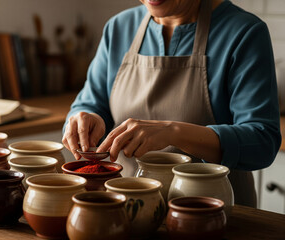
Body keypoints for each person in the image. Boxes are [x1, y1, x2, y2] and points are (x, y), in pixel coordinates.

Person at [62, 0, 281, 208]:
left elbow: (262, 141)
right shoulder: (119, 28)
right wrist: (85, 119)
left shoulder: (244, 32)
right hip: (129, 209)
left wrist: (172, 132)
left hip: (214, 212)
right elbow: (89, 104)